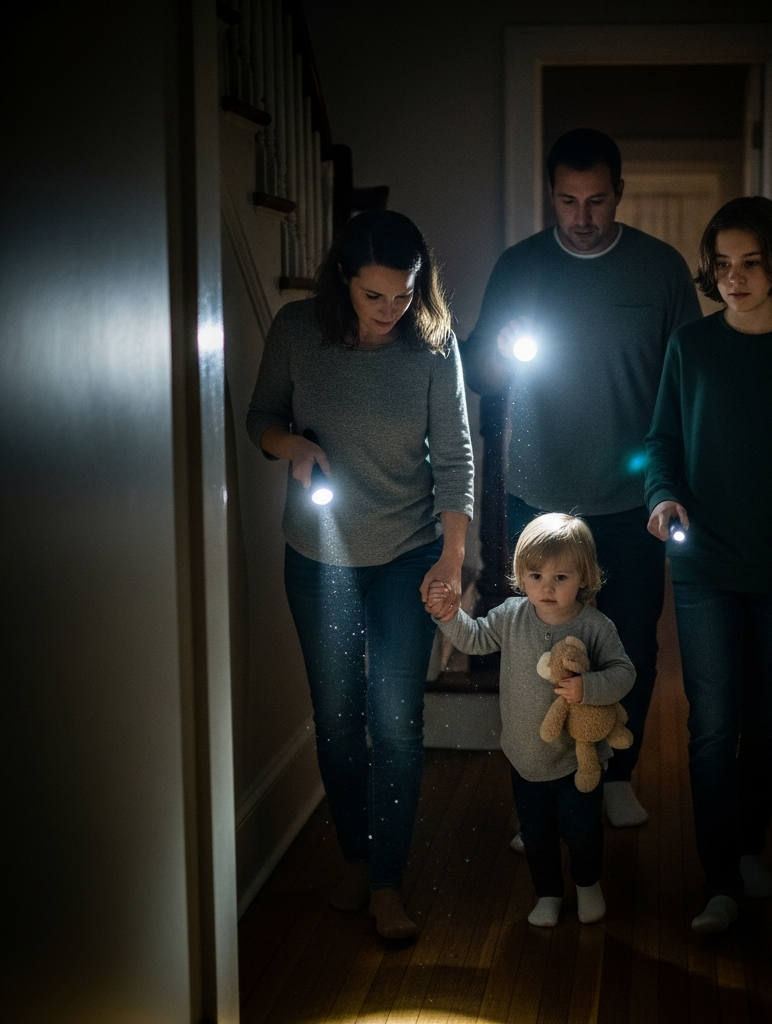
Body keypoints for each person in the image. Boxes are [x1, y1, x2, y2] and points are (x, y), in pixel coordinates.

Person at [463, 128, 702, 828]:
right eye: (567, 201)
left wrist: (674, 480)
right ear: (551, 196)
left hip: (631, 495)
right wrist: (501, 356)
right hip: (538, 491)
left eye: (597, 200)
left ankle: (616, 773)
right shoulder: (519, 266)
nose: (583, 216)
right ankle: (547, 790)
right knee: (537, 654)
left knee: (628, 642)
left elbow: (688, 379)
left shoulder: (660, 269)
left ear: (619, 194)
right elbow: (478, 374)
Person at [246, 210, 474, 940]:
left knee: (395, 725)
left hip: (408, 555)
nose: (389, 312)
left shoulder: (434, 343)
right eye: (374, 296)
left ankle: (386, 883)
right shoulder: (295, 330)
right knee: (340, 723)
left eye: (403, 295)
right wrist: (294, 448)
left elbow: (459, 458)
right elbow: (259, 417)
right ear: (343, 280)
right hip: (318, 559)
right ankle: (354, 856)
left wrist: (452, 556)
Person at [644, 196, 772, 934]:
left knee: (766, 722)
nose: (734, 278)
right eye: (722, 265)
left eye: (750, 263)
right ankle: (719, 878)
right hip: (702, 567)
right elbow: (661, 444)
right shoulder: (691, 348)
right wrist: (663, 495)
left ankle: (751, 845)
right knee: (712, 724)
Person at [430, 513, 635, 926]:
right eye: (537, 575)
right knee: (537, 836)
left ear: (584, 577)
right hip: (526, 757)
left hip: (580, 759)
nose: (547, 586)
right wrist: (447, 615)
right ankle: (548, 894)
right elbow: (474, 637)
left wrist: (588, 687)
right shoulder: (510, 615)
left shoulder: (595, 626)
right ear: (521, 575)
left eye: (561, 577)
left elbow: (624, 673)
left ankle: (587, 884)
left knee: (582, 832)